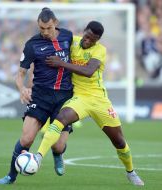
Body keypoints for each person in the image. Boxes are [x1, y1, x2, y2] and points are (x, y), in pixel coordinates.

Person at [34, 21, 144, 186]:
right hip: (80, 98)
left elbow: (88, 71)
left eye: (92, 39)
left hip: (99, 100)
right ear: (83, 32)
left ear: (97, 40)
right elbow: (54, 37)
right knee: (61, 117)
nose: (87, 41)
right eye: (86, 36)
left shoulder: (100, 50)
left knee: (119, 141)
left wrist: (62, 63)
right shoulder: (73, 42)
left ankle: (131, 172)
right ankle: (38, 157)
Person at [0, 8, 73, 185]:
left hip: (64, 97)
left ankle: (58, 154)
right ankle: (10, 176)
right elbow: (20, 73)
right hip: (40, 96)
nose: (45, 32)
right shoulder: (32, 44)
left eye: (48, 28)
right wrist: (22, 88)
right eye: (41, 28)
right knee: (27, 138)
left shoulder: (68, 37)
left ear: (55, 23)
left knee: (58, 145)